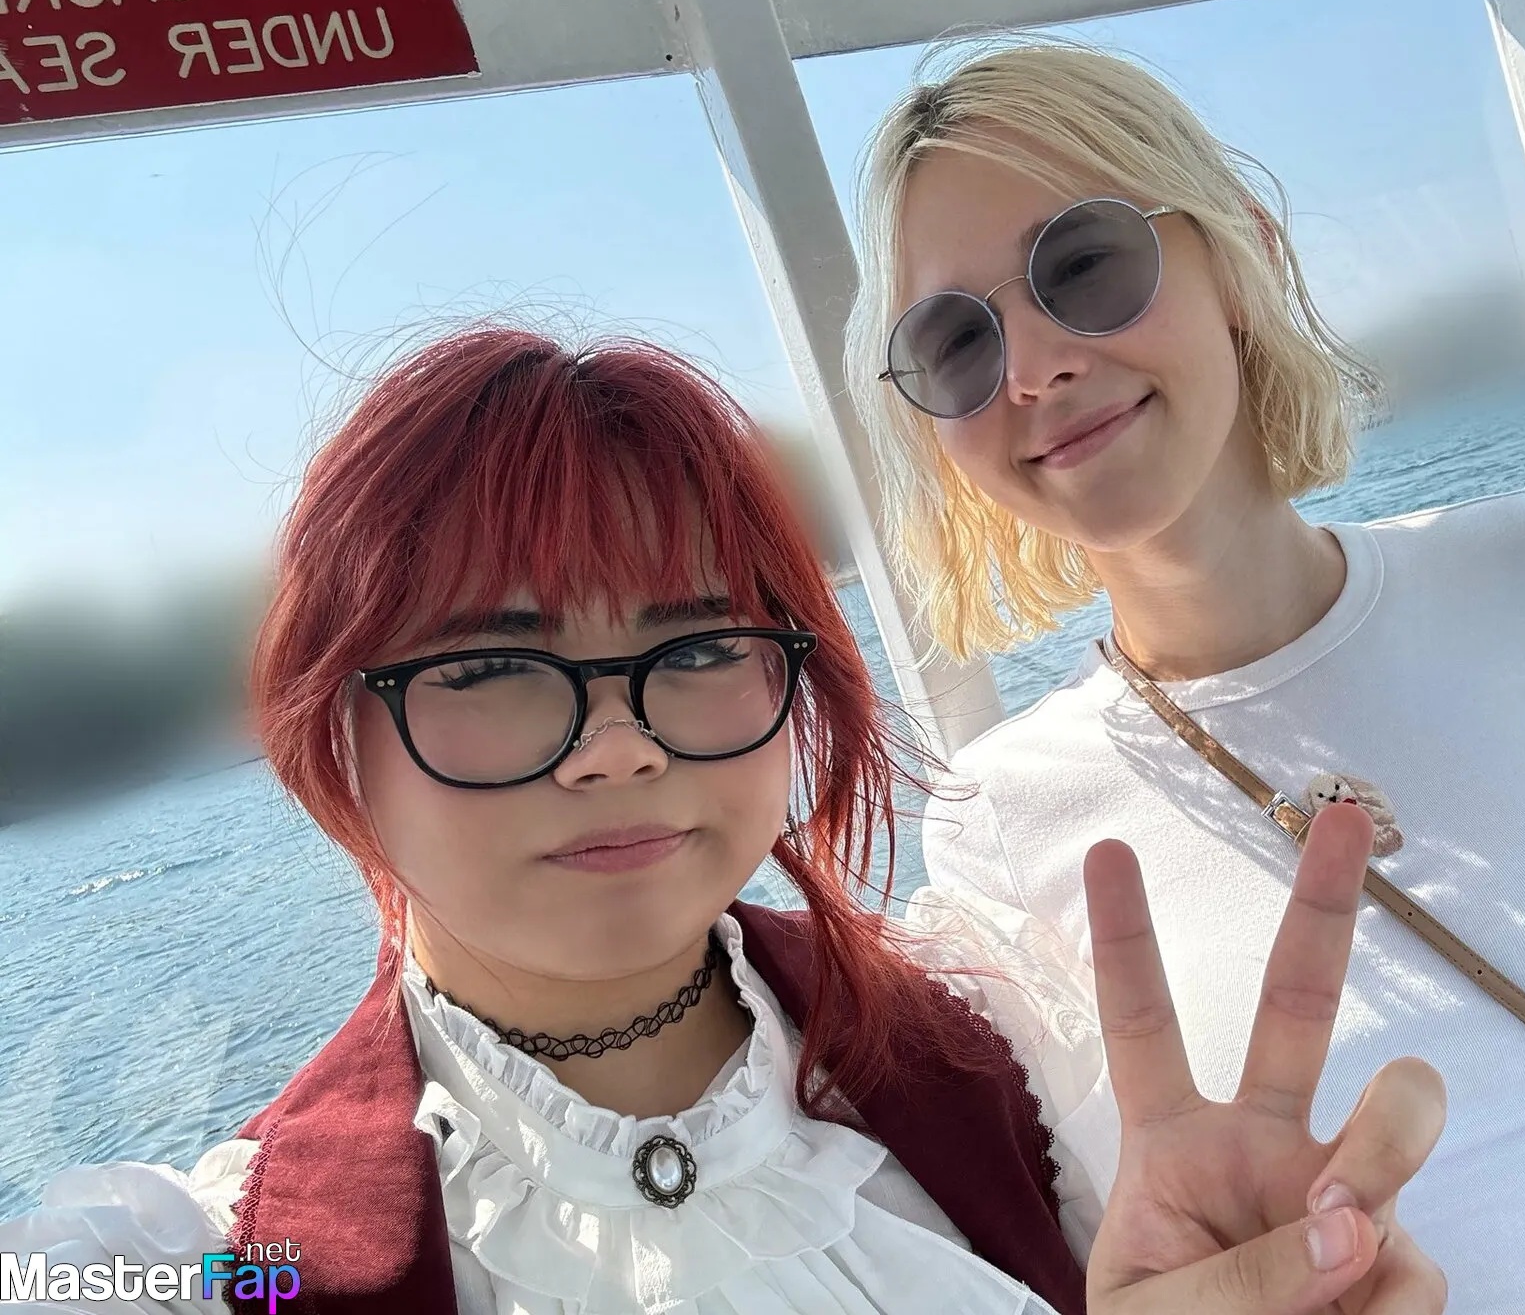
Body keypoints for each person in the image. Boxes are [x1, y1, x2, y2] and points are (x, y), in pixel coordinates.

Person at [0, 327, 1448, 1314]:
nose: (618, 750)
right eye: (491, 667)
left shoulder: (1015, 1064)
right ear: (335, 727)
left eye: (697, 648)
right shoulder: (242, 1262)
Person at [845, 37, 1525, 1315]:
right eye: (957, 344)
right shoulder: (995, 822)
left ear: (1239, 258)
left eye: (1083, 265)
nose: (1033, 369)